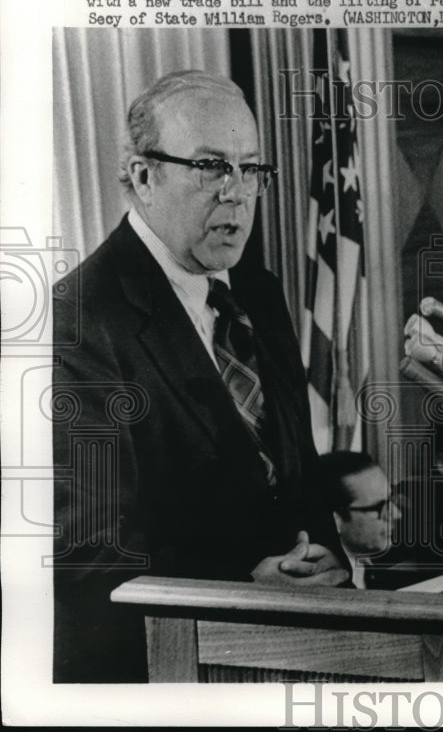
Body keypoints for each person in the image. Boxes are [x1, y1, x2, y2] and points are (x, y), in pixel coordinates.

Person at [51, 70, 347, 683]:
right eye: (212, 167)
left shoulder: (258, 293)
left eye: (251, 170)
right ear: (143, 176)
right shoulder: (77, 322)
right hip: (166, 677)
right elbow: (87, 556)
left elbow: (299, 475)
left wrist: (328, 562)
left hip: (296, 658)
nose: (238, 194)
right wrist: (243, 589)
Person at [317, 452, 402, 589]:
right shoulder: (323, 584)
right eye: (379, 507)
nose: (397, 514)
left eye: (390, 500)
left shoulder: (381, 565)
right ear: (336, 521)